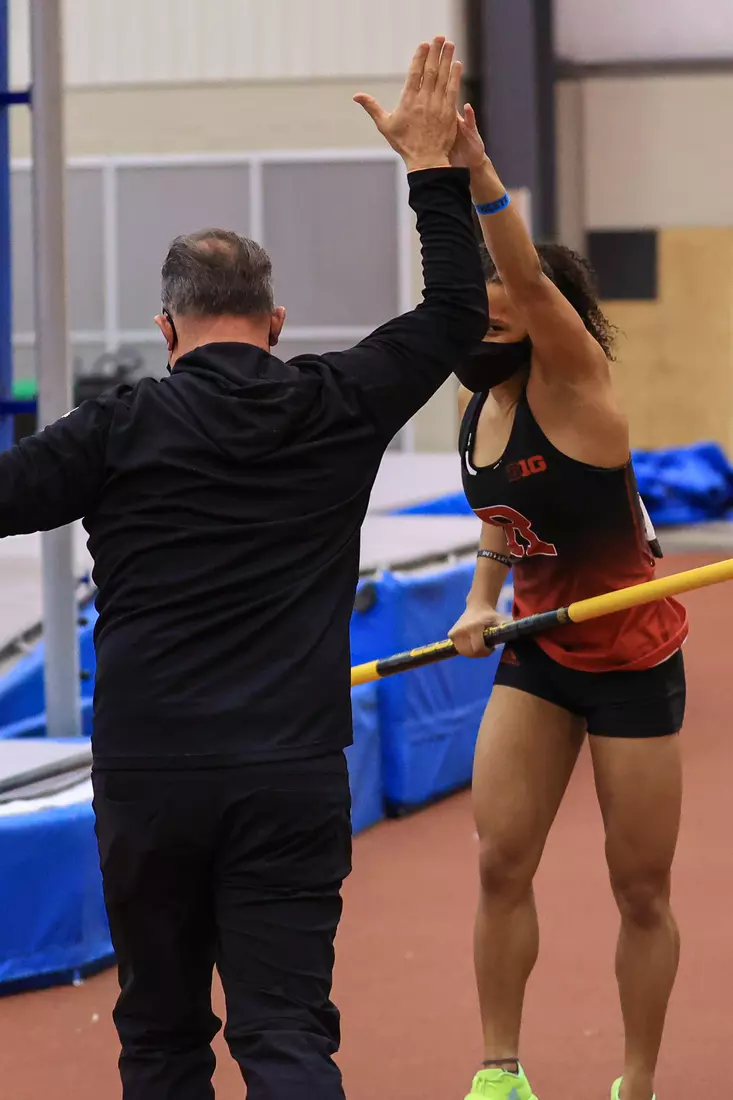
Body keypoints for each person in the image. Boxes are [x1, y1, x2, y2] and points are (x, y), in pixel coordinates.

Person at [0, 39, 487, 1100]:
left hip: (150, 776)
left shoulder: (116, 428)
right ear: (273, 326)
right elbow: (457, 317)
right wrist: (431, 173)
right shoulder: (335, 402)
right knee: (284, 1035)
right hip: (288, 772)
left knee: (163, 1038)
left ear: (166, 329)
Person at [447, 105, 687, 1100]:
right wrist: (478, 598)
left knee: (638, 886)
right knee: (500, 858)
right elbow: (503, 520)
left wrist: (471, 170)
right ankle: (500, 1069)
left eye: (504, 298)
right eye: (480, 299)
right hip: (538, 650)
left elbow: (528, 278)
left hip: (631, 655)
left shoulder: (578, 383)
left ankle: (635, 1076)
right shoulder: (478, 410)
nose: (488, 309)